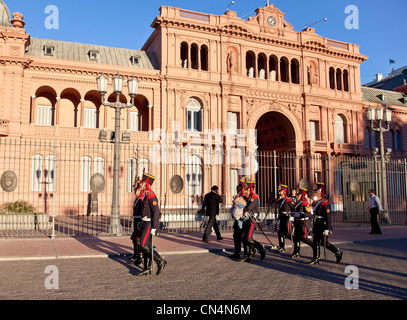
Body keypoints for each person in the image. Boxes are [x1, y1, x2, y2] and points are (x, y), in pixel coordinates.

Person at [135, 173, 167, 276]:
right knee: (144, 246)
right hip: (144, 222)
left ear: (147, 184)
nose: (141, 185)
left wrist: (154, 227)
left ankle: (159, 261)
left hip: (149, 224)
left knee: (143, 245)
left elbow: (156, 213)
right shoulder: (146, 195)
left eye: (143, 183)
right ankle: (147, 268)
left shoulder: (151, 195)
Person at [309, 183, 343, 265]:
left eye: (316, 191)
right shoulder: (316, 202)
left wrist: (328, 228)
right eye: (314, 191)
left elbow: (328, 216)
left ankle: (338, 252)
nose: (314, 193)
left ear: (320, 192)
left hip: (323, 224)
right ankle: (316, 258)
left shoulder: (325, 202)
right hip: (317, 223)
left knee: (324, 243)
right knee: (315, 241)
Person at [240, 180, 266, 262]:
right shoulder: (249, 198)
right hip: (246, 219)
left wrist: (240, 209)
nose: (245, 191)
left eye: (247, 190)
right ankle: (247, 255)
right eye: (245, 190)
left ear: (251, 189)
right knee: (243, 237)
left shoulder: (254, 198)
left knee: (248, 238)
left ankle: (261, 248)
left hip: (252, 221)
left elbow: (248, 208)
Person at [229, 179, 249, 259]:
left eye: (239, 188)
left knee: (243, 237)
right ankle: (237, 252)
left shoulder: (246, 198)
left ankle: (253, 250)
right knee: (236, 236)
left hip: (243, 220)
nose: (237, 189)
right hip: (237, 219)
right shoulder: (238, 198)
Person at [291, 188, 313, 258]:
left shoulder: (305, 203)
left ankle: (313, 245)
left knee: (303, 238)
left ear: (302, 196)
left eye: (298, 195)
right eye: (296, 195)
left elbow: (309, 214)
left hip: (303, 222)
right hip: (297, 222)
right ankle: (296, 252)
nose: (297, 196)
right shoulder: (297, 203)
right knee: (296, 238)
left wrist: (300, 214)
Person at [275, 184, 296, 253]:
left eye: (280, 191)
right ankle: (281, 247)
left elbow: (293, 208)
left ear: (284, 191)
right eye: (279, 191)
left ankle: (296, 241)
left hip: (287, 217)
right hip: (282, 217)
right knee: (280, 232)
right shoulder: (281, 200)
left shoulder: (288, 199)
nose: (279, 193)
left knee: (287, 233)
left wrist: (292, 216)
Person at [129, 177, 144, 265]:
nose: (134, 191)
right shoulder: (137, 198)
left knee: (138, 238)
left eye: (135, 189)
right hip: (135, 219)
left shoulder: (141, 199)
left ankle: (139, 257)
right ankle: (135, 254)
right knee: (134, 238)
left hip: (139, 220)